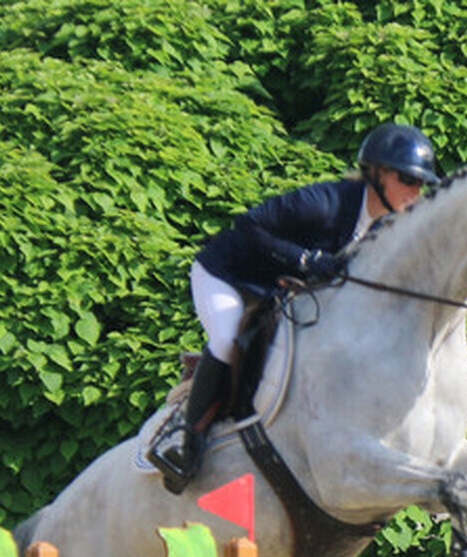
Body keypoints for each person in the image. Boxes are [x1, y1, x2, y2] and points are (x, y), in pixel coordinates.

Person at [148, 123, 441, 493]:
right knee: (226, 339)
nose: (416, 192)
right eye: (408, 180)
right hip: (227, 275)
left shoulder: (391, 225)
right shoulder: (325, 204)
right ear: (378, 173)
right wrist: (306, 258)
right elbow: (250, 228)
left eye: (421, 184)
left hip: (278, 289)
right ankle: (186, 443)